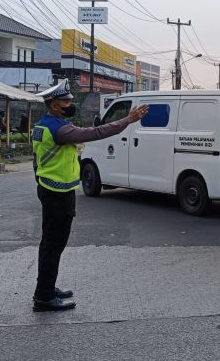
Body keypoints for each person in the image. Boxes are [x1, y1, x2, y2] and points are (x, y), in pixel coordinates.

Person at [31, 80, 148, 312]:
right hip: (58, 193)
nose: (70, 104)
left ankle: (46, 287)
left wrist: (40, 182)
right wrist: (127, 120)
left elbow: (37, 161)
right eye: (66, 101)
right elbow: (95, 132)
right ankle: (43, 297)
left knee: (50, 243)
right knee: (53, 244)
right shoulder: (60, 130)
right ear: (54, 105)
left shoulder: (43, 125)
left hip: (50, 189)